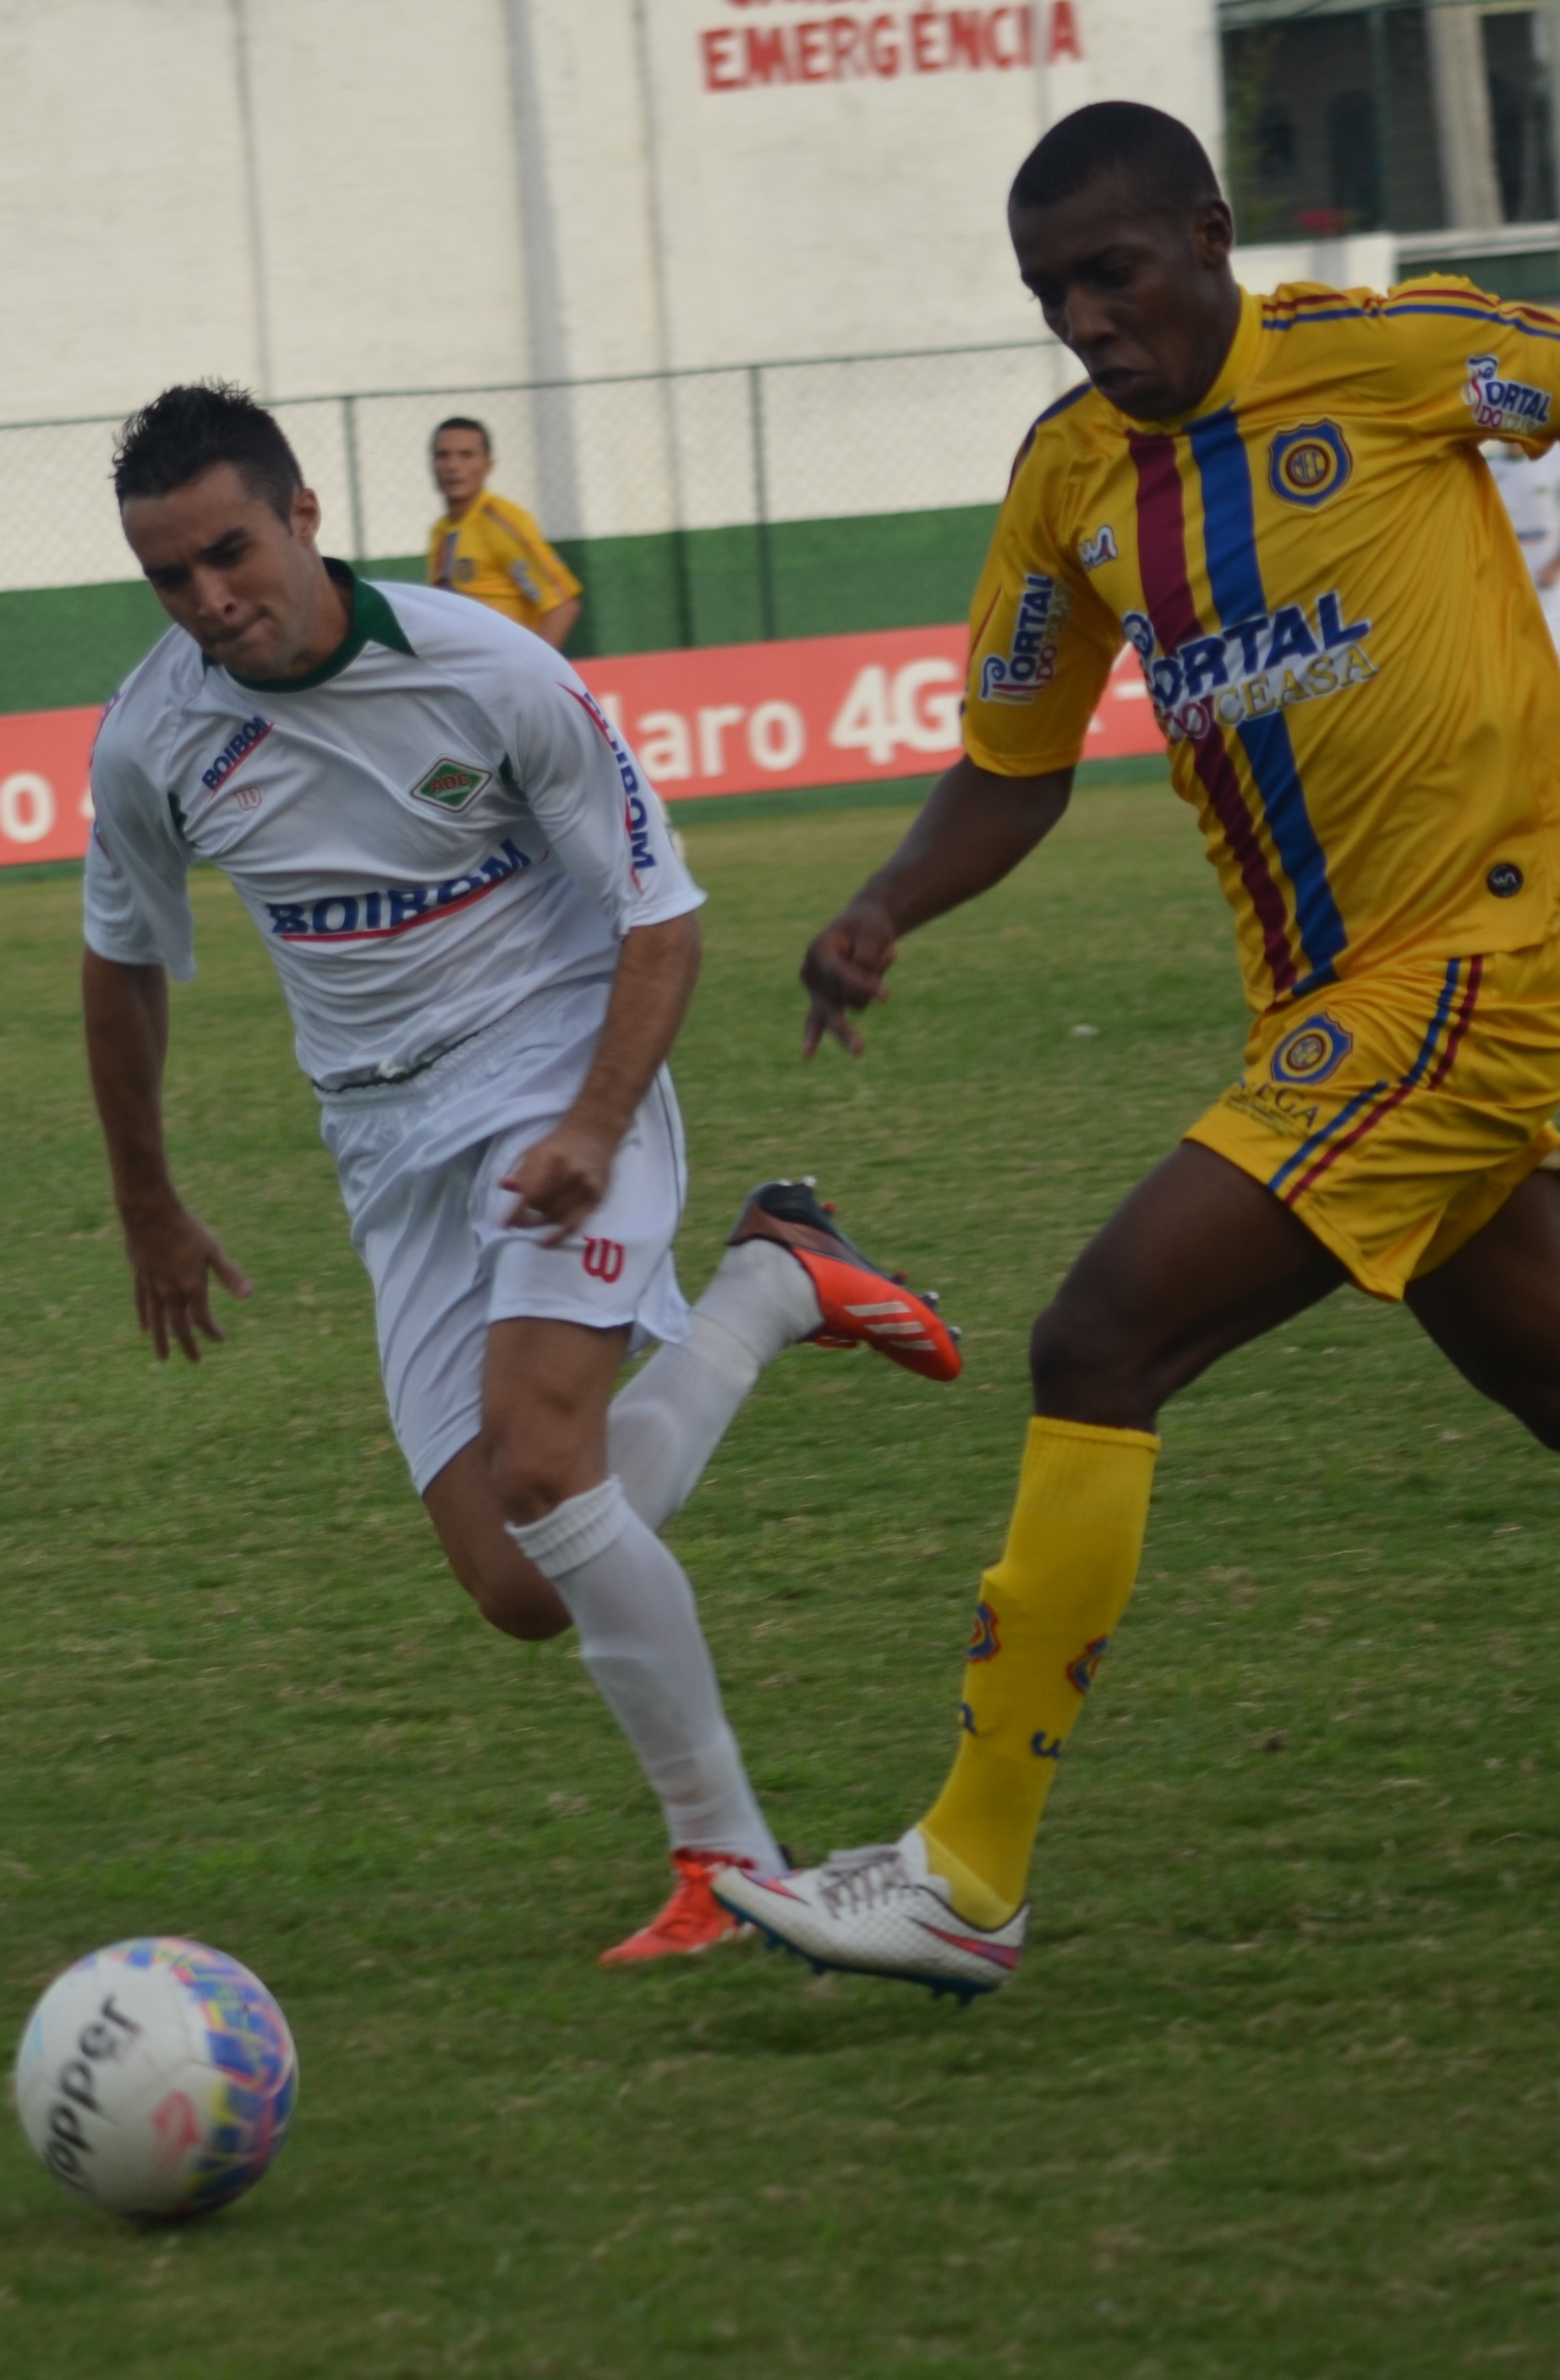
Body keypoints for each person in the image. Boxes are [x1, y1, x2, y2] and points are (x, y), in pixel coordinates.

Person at [713, 102, 1560, 1997]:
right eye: (1047, 294)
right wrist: (883, 904)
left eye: (1109, 273)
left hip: (1463, 974)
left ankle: (965, 1871)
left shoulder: (1378, 356)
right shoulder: (1067, 482)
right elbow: (1010, 765)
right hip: (1324, 1011)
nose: (1083, 321)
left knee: (1097, 1340)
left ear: (1207, 236)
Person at [79, 385, 964, 1962]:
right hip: (385, 1147)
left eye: (229, 552)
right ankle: (771, 1284)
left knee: (548, 1465)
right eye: (168, 576)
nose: (207, 599)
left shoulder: (489, 670)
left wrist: (596, 1123)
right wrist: (146, 1199)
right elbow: (121, 963)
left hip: (559, 1070)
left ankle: (727, 1863)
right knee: (518, 1580)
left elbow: (659, 916)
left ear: (302, 516)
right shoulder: (153, 735)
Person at [1486, 436, 1560, 793]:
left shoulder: (1557, 463)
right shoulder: (1490, 470)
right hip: (1509, 592)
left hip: (1552, 593)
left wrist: (1556, 565)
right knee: (1513, 680)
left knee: (1546, 675)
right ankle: (1537, 760)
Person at [424, 419, 583, 650]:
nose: (453, 466)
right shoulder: (440, 531)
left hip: (504, 665)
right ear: (432, 465)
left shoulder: (500, 522)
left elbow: (562, 606)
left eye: (466, 455)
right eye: (443, 456)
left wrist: (532, 666)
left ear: (488, 466)